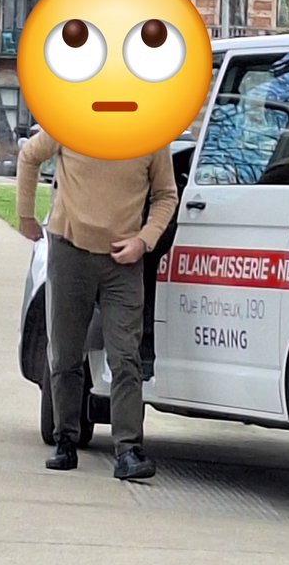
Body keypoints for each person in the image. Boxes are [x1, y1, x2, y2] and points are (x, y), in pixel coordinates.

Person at [16, 130, 178, 480]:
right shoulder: (69, 121)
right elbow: (29, 156)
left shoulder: (151, 134)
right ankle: (65, 440)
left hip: (124, 260)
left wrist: (144, 241)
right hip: (70, 250)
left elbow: (166, 195)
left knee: (126, 357)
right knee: (66, 353)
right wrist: (25, 215)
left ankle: (128, 450)